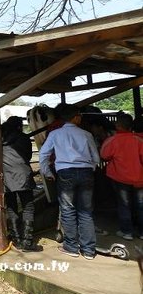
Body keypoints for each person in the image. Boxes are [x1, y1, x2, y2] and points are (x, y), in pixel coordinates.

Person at [39, 104, 100, 260]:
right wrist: (91, 168)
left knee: (68, 210)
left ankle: (71, 247)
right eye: (79, 115)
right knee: (86, 212)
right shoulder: (86, 134)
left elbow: (43, 154)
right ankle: (88, 250)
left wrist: (47, 172)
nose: (80, 117)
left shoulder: (55, 134)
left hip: (65, 173)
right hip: (86, 173)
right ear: (74, 117)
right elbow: (96, 157)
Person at [100, 112, 143, 240]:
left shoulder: (112, 140)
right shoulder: (139, 140)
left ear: (117, 126)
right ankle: (142, 232)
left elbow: (104, 156)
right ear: (131, 126)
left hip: (119, 178)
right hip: (140, 178)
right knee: (141, 205)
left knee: (124, 204)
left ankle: (127, 232)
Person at [0, 116, 40, 252]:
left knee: (11, 207)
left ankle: (16, 240)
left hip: (6, 178)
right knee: (28, 207)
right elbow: (28, 155)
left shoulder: (1, 139)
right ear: (19, 126)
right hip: (23, 175)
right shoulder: (24, 138)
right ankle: (27, 241)